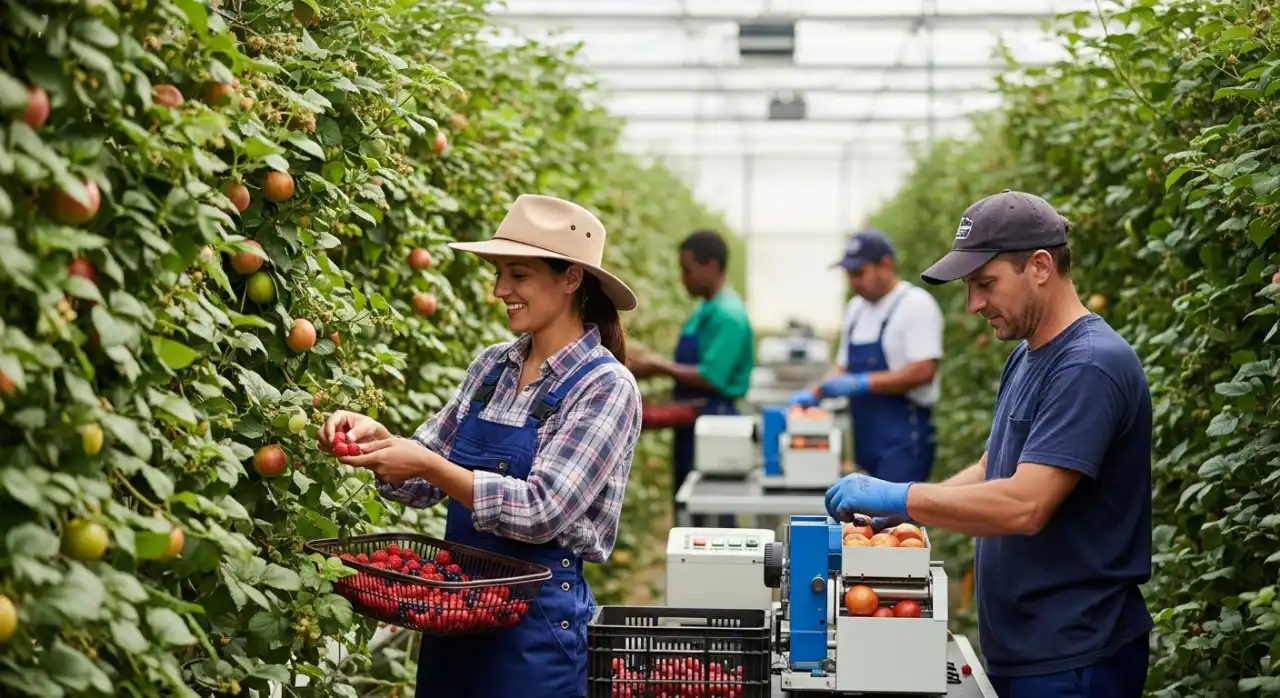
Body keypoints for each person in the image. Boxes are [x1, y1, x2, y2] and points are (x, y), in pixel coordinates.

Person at [823, 190, 1153, 698]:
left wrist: (903, 495)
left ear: (1040, 266)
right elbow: (992, 467)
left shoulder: (1088, 366)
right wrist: (902, 510)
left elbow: (1025, 505)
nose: (974, 304)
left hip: (1074, 656)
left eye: (985, 283)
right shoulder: (1028, 355)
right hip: (1025, 645)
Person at [317, 194, 643, 698]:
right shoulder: (492, 367)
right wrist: (377, 444)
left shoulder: (605, 386)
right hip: (453, 613)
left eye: (518, 274)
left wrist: (428, 464)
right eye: (498, 274)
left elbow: (541, 511)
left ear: (572, 279)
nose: (499, 290)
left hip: (534, 636)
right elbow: (423, 478)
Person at [788, 229, 944, 483]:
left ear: (886, 265)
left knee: (897, 507)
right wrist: (817, 392)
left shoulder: (915, 305)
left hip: (903, 440)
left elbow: (923, 370)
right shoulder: (856, 310)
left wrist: (862, 383)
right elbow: (843, 367)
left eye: (859, 273)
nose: (854, 281)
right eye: (849, 274)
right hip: (866, 438)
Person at [628, 229, 754, 526]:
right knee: (690, 507)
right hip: (694, 419)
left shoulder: (728, 314)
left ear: (711, 266)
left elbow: (712, 377)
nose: (682, 278)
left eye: (687, 270)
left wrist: (658, 365)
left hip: (715, 422)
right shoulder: (706, 309)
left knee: (713, 513)